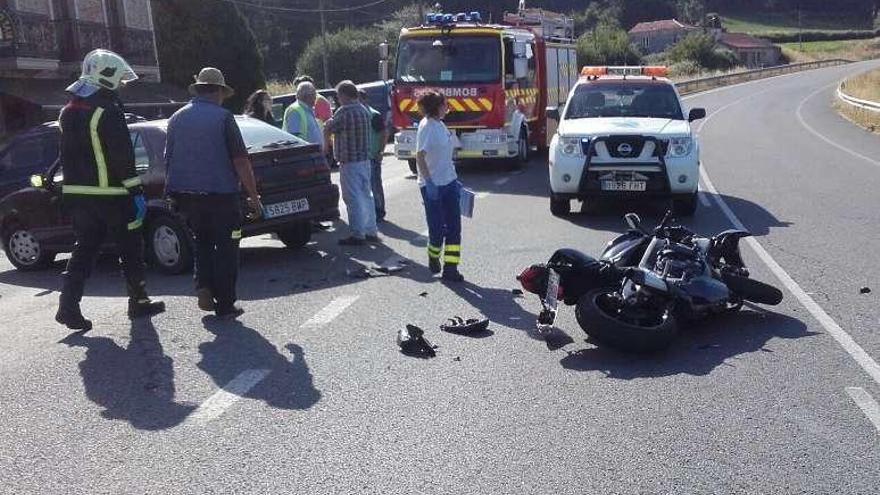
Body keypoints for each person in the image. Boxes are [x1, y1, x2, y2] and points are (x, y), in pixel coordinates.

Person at [55, 49, 165, 331]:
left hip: (78, 196)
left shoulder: (68, 111)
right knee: (130, 247)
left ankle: (68, 306)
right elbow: (122, 156)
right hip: (112, 195)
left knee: (85, 248)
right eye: (120, 79)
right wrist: (135, 190)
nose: (122, 85)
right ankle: (138, 301)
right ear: (107, 77)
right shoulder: (109, 110)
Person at [164, 68, 264, 320]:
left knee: (202, 242)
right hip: (222, 196)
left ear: (198, 89)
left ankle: (203, 285)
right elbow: (241, 161)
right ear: (219, 91)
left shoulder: (176, 118)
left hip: (187, 196)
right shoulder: (223, 118)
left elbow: (168, 159)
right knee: (228, 246)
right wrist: (253, 196)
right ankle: (226, 303)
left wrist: (172, 194)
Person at [323, 80, 379, 246]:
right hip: (364, 159)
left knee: (352, 197)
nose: (338, 99)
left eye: (338, 95)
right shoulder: (363, 110)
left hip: (349, 161)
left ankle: (357, 233)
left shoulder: (344, 112)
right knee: (366, 195)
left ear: (344, 95)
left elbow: (329, 128)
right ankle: (371, 229)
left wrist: (326, 128)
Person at [415, 91, 463, 282]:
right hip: (432, 186)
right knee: (436, 230)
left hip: (449, 183)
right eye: (445, 104)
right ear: (437, 107)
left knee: (454, 228)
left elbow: (445, 155)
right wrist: (429, 182)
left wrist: (454, 178)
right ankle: (433, 255)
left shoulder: (440, 125)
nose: (447, 107)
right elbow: (420, 156)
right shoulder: (428, 126)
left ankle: (451, 269)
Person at [358, 89, 388, 222]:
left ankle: (379, 211)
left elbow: (384, 134)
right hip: (361, 157)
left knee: (375, 185)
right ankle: (369, 211)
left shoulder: (374, 115)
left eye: (359, 99)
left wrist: (380, 152)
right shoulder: (359, 115)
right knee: (363, 187)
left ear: (365, 100)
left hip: (373, 156)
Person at [282, 81, 323, 146]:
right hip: (305, 154)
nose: (316, 97)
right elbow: (294, 139)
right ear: (308, 96)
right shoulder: (294, 111)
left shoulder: (308, 109)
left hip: (314, 153)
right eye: (314, 94)